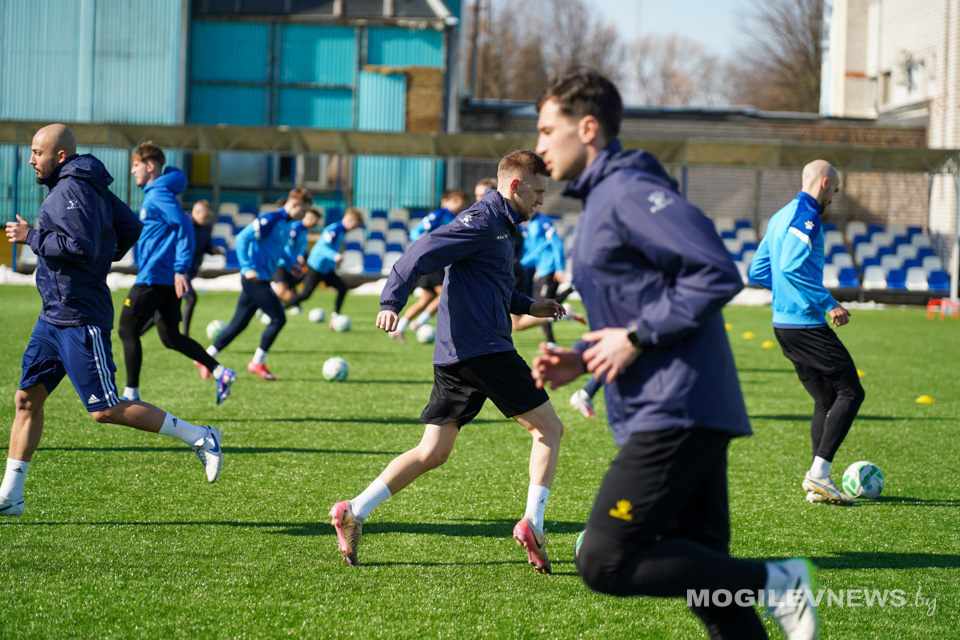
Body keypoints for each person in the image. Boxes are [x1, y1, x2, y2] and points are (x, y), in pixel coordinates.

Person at [531, 70, 817, 640]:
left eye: (545, 129)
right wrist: (585, 357)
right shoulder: (602, 201)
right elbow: (639, 306)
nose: (538, 145)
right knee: (716, 597)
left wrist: (633, 338)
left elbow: (714, 271)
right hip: (685, 407)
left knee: (603, 559)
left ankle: (778, 581)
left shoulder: (628, 192)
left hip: (676, 409)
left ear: (587, 128)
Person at [330, 151, 566, 573]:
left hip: (458, 353)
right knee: (549, 429)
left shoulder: (503, 227)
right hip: (484, 350)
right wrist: (391, 300)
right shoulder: (484, 221)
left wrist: (531, 305)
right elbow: (420, 252)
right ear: (516, 186)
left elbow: (493, 286)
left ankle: (354, 511)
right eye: (539, 191)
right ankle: (533, 524)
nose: (542, 201)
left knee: (433, 450)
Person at [0, 124, 223, 519]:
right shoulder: (85, 183)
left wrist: (31, 236)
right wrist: (103, 255)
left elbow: (80, 247)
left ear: (61, 156)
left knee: (105, 409)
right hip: (53, 315)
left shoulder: (73, 189)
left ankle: (201, 436)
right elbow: (130, 228)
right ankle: (10, 496)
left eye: (38, 152)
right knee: (26, 399)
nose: (32, 160)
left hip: (79, 316)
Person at [749, 159, 864, 508]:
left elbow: (758, 270)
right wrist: (828, 303)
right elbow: (790, 266)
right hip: (805, 323)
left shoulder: (779, 216)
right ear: (825, 183)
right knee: (851, 391)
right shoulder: (808, 215)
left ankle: (820, 481)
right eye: (836, 191)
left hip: (783, 324)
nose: (834, 198)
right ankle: (819, 474)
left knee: (825, 400)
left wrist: (785, 292)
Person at [118, 143, 235, 404]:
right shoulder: (157, 192)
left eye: (135, 166)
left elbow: (184, 225)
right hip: (164, 278)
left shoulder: (159, 193)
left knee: (127, 330)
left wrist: (181, 268)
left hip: (155, 277)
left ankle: (130, 395)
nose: (132, 172)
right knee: (171, 337)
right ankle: (219, 370)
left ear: (150, 167)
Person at [205, 188, 313, 381]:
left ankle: (206, 357)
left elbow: (277, 250)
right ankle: (257, 362)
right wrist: (246, 267)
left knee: (238, 324)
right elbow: (242, 239)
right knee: (279, 319)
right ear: (295, 205)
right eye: (303, 211)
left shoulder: (287, 223)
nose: (304, 215)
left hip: (262, 277)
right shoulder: (270, 219)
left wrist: (292, 265)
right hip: (254, 278)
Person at [388, 189, 469, 343]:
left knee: (426, 298)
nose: (460, 205)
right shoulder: (438, 214)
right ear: (449, 201)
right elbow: (416, 230)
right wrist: (422, 245)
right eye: (456, 201)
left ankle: (400, 328)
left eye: (462, 203)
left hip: (438, 261)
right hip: (432, 260)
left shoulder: (457, 218)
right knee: (446, 294)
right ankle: (419, 324)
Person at [282, 207, 362, 325]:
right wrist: (334, 256)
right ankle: (280, 309)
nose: (352, 225)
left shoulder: (341, 231)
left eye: (354, 224)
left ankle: (335, 315)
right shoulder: (334, 230)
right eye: (351, 221)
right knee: (305, 294)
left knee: (342, 288)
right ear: (346, 218)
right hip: (316, 266)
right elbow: (322, 248)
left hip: (327, 269)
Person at [272, 207, 322, 309]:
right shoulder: (295, 228)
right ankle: (271, 307)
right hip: (281, 263)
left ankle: (273, 308)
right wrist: (293, 263)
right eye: (311, 219)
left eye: (315, 221)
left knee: (287, 289)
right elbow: (287, 247)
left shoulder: (305, 231)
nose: (313, 222)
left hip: (290, 265)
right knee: (283, 291)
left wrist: (300, 257)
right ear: (306, 216)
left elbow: (302, 247)